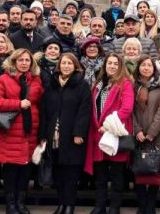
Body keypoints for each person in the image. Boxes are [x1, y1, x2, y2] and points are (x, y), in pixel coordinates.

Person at [0, 49, 44, 214]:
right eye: (20, 60)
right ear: (14, 61)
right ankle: (10, 204)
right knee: (11, 171)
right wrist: (18, 104)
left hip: (30, 132)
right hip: (10, 132)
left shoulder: (36, 80)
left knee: (25, 171)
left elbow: (40, 101)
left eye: (27, 60)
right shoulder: (3, 79)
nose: (24, 63)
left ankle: (21, 203)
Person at [39, 53, 92, 214]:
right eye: (64, 63)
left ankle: (69, 205)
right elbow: (44, 112)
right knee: (58, 173)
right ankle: (61, 203)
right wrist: (43, 136)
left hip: (71, 137)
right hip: (53, 137)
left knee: (71, 174)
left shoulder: (81, 85)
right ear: (59, 66)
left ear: (75, 66)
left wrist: (79, 133)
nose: (66, 66)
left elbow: (84, 111)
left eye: (70, 63)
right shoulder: (52, 85)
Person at [85, 54, 135, 214]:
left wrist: (107, 126)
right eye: (109, 63)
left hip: (114, 133)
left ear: (120, 66)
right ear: (104, 65)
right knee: (100, 176)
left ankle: (114, 207)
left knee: (116, 176)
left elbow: (126, 109)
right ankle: (100, 206)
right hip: (98, 135)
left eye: (115, 64)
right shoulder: (98, 84)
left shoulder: (125, 83)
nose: (112, 66)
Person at [132, 56, 160, 214]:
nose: (146, 68)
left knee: (155, 171)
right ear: (138, 68)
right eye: (143, 65)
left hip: (157, 136)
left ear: (154, 69)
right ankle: (141, 205)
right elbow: (130, 112)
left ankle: (151, 206)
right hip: (138, 136)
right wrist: (137, 130)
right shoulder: (133, 86)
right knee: (138, 171)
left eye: (149, 65)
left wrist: (152, 133)